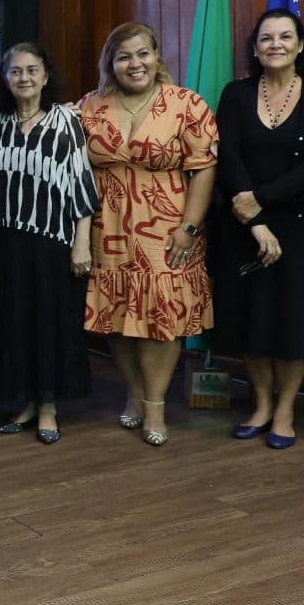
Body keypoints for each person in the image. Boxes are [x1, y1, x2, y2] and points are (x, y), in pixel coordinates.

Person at [79, 22, 217, 447]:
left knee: (163, 317)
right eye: (123, 56)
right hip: (109, 227)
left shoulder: (186, 104)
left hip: (168, 228)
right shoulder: (88, 107)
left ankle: (155, 404)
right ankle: (135, 393)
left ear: (157, 56)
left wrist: (189, 229)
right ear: (111, 64)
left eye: (142, 53)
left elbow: (204, 167)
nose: (134, 63)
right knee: (117, 315)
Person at [214, 9, 304, 449]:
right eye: (266, 38)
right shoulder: (235, 93)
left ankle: (286, 410)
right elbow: (229, 158)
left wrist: (261, 202)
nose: (275, 44)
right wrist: (255, 220)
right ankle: (261, 405)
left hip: (302, 225)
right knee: (254, 318)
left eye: (285, 36)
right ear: (254, 47)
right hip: (243, 224)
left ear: (301, 44)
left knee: (292, 320)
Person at [0, 43, 99, 443]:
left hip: (54, 241)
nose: (24, 78)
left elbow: (83, 185)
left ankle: (49, 406)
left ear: (46, 76)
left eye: (32, 70)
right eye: (15, 71)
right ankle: (27, 402)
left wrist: (82, 244)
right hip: (8, 242)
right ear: (5, 78)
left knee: (51, 323)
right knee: (16, 323)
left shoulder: (65, 120)